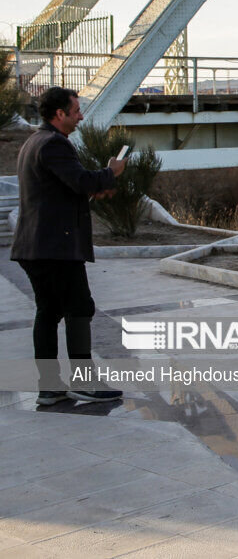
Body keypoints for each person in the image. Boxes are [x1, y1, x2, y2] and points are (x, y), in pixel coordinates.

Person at [10, 86, 126, 405]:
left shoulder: (35, 142)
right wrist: (110, 172)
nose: (81, 116)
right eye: (76, 110)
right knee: (79, 307)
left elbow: (61, 191)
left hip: (35, 246)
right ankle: (84, 382)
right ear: (59, 114)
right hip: (54, 248)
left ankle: (49, 387)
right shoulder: (54, 144)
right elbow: (81, 181)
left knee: (48, 313)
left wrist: (94, 188)